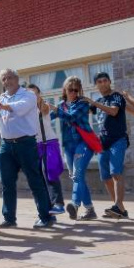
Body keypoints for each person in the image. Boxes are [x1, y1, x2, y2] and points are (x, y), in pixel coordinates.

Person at [0, 69, 53, 228]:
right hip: (6, 145)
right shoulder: (1, 97)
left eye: (10, 77)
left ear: (17, 78)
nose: (7, 81)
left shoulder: (28, 95)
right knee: (6, 183)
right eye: (4, 78)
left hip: (26, 144)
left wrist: (0, 105)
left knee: (35, 180)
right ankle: (9, 218)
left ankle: (45, 217)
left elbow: (18, 108)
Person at [49, 76, 97, 221]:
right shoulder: (61, 104)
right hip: (68, 146)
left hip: (84, 144)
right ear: (65, 89)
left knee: (77, 175)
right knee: (78, 176)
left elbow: (71, 118)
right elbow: (46, 118)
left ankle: (75, 205)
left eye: (76, 90)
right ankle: (90, 210)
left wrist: (56, 110)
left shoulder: (82, 103)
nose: (73, 93)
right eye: (71, 89)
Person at [84, 72, 129, 219]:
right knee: (105, 177)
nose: (103, 83)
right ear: (96, 85)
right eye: (99, 81)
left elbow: (114, 112)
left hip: (118, 139)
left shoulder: (116, 97)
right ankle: (119, 208)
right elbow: (83, 113)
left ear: (109, 82)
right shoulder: (98, 100)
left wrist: (94, 103)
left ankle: (117, 206)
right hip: (102, 143)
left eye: (105, 81)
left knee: (116, 173)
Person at [26, 84, 66, 216]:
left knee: (50, 172)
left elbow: (46, 109)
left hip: (49, 142)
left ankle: (58, 203)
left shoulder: (44, 107)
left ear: (39, 95)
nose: (33, 97)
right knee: (38, 177)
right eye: (29, 94)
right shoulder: (25, 111)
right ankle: (47, 208)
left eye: (35, 94)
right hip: (35, 145)